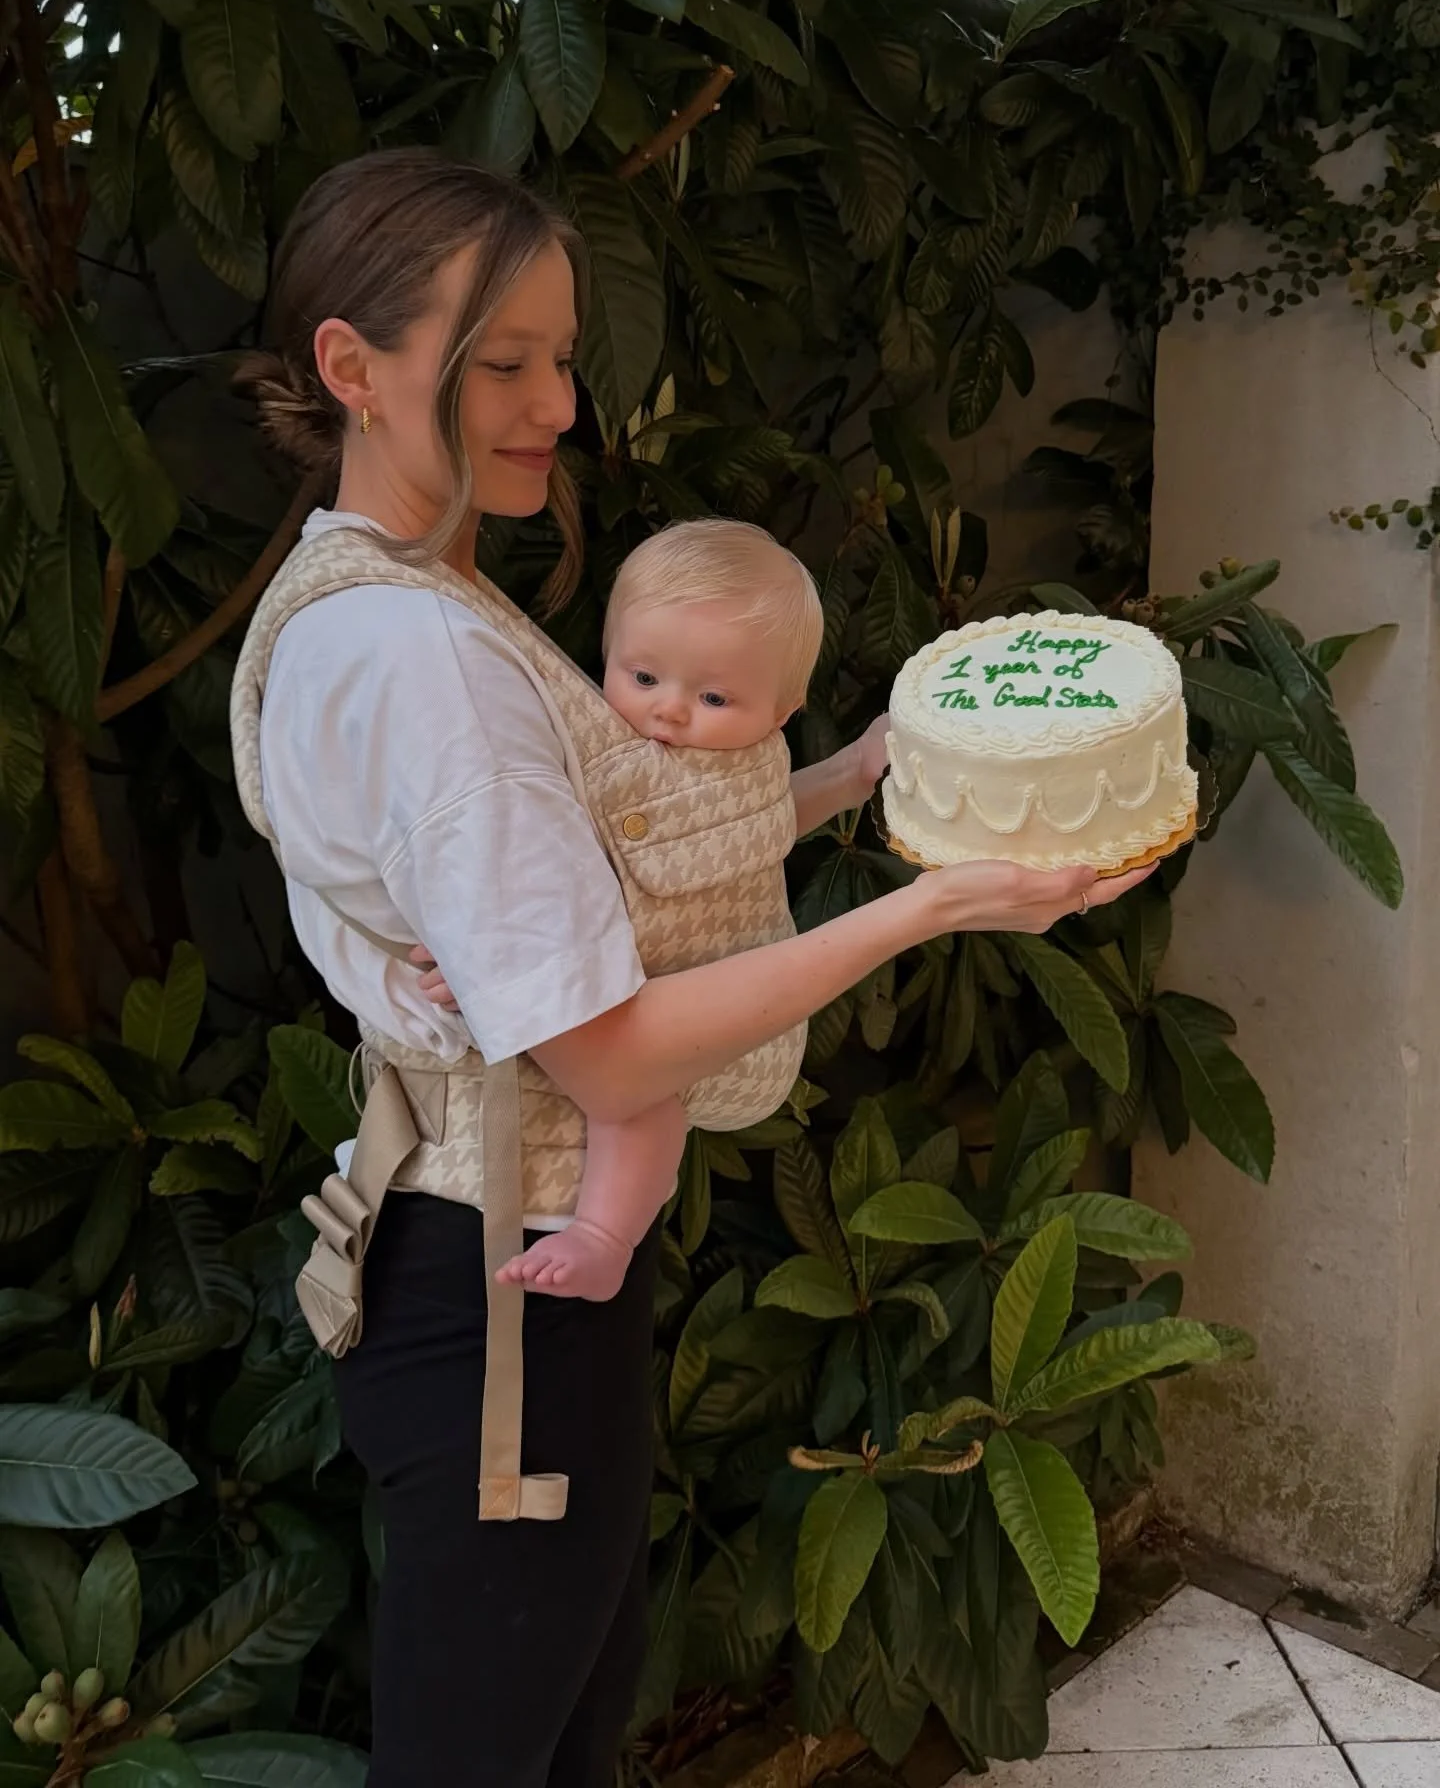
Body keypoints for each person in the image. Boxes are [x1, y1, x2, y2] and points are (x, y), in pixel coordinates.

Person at [230, 148, 1153, 1788]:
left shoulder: (372, 589)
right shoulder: (429, 658)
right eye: (502, 363)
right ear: (353, 367)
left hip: (477, 1245)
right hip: (499, 1283)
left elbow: (635, 869)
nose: (558, 407)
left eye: (563, 359)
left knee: (547, 1732)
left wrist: (845, 786)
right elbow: (610, 1054)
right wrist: (931, 909)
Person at [449, 515, 882, 1301]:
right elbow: (546, 866)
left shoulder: (747, 765)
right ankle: (603, 1237)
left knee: (645, 1103)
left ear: (785, 709)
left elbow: (765, 822)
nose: (671, 710)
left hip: (719, 1012)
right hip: (630, 1005)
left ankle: (605, 1237)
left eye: (713, 696)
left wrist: (855, 773)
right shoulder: (594, 753)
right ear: (607, 653)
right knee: (636, 1095)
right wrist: (483, 948)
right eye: (643, 677)